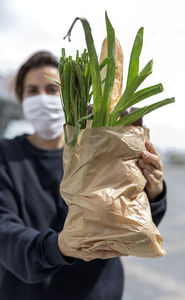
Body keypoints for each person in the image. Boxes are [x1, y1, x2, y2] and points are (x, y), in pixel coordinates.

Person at [0, 51, 167, 300]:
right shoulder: (6, 155)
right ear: (21, 98)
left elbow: (132, 218)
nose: (43, 98)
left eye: (52, 88)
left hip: (99, 292)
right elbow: (4, 232)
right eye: (32, 90)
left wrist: (154, 193)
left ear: (71, 97)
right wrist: (58, 247)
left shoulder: (99, 146)